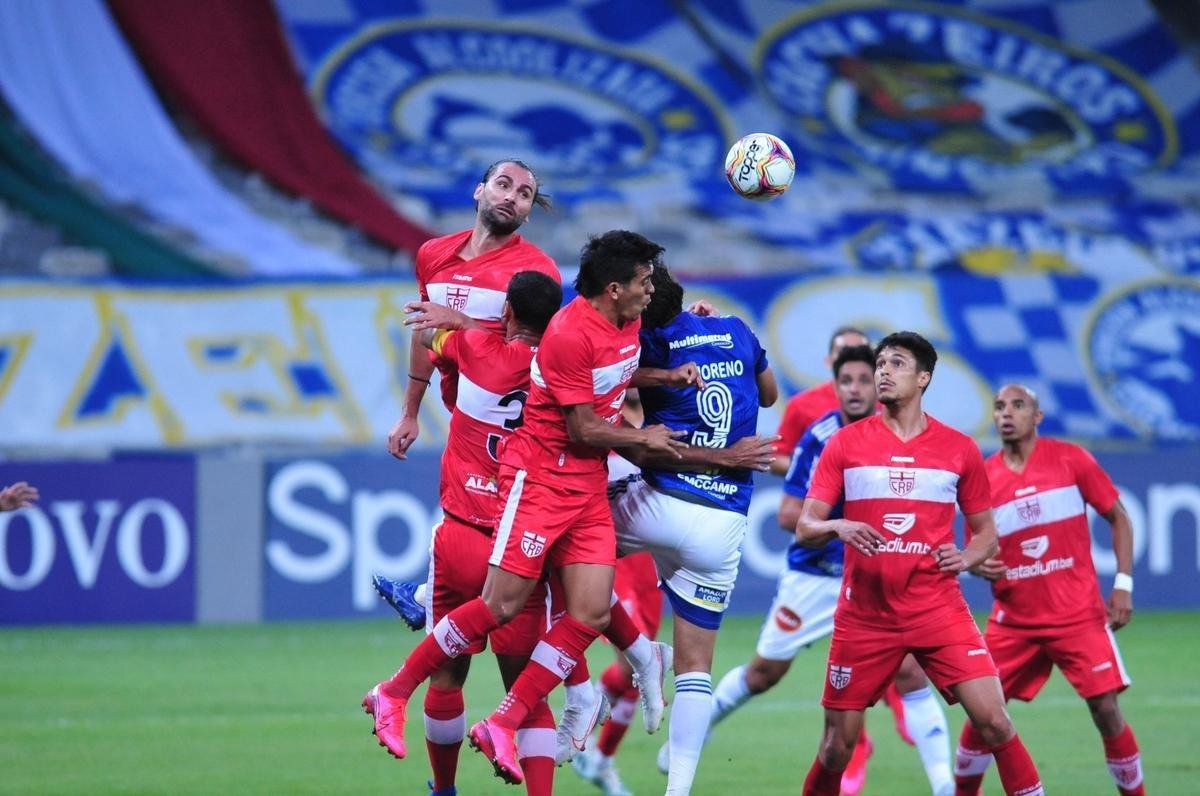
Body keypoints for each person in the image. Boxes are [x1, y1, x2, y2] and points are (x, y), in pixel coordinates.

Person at [364, 230, 698, 786]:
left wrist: (457, 330)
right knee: (500, 607)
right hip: (537, 481)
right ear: (613, 289)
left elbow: (439, 341)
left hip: (582, 483)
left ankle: (515, 714)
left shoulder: (615, 323)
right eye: (644, 282)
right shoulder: (566, 337)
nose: (651, 290)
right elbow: (583, 424)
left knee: (588, 611)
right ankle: (393, 690)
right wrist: (646, 439)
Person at [693, 344, 955, 796]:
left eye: (863, 379)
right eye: (845, 381)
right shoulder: (821, 436)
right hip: (816, 575)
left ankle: (944, 785)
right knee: (763, 674)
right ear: (833, 387)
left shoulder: (907, 437)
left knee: (911, 672)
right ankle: (698, 729)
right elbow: (788, 517)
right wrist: (839, 527)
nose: (855, 389)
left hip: (874, 576)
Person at [795, 331, 1044, 796]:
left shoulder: (959, 449)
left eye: (896, 364)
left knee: (995, 722)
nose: (882, 371)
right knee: (836, 748)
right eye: (880, 363)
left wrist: (968, 556)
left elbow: (987, 533)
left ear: (924, 378)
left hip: (937, 608)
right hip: (864, 617)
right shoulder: (846, 445)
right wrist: (837, 526)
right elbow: (805, 525)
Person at [374, 271, 563, 796]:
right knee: (525, 694)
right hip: (521, 548)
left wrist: (457, 318)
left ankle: (444, 789)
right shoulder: (562, 370)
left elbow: (425, 332)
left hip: (462, 536)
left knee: (448, 677)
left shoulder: (473, 346)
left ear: (506, 315)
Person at [607, 263, 779, 794]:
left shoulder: (647, 344)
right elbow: (769, 396)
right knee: (697, 669)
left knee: (556, 541)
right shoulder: (737, 329)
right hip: (724, 524)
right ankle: (677, 790)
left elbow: (595, 374)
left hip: (660, 500)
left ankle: (634, 655)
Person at [955, 384, 1144, 796]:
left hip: (1077, 617)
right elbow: (977, 547)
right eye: (1000, 406)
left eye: (1018, 405)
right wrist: (980, 565)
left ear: (1037, 416)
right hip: (1013, 623)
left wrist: (1123, 586)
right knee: (982, 713)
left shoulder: (1071, 459)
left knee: (1107, 710)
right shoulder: (983, 478)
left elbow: (1120, 518)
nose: (1006, 413)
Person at [387, 159, 560, 459]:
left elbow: (530, 361)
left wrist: (460, 322)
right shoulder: (432, 254)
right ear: (479, 190)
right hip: (460, 418)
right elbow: (424, 330)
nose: (510, 197)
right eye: (503, 184)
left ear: (528, 212)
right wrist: (410, 413)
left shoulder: (538, 270)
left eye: (524, 194)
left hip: (510, 430)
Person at [769, 326, 869, 475]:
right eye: (844, 352)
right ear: (828, 361)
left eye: (859, 352)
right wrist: (817, 474)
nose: (852, 358)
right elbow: (776, 458)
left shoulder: (887, 403)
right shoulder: (801, 405)